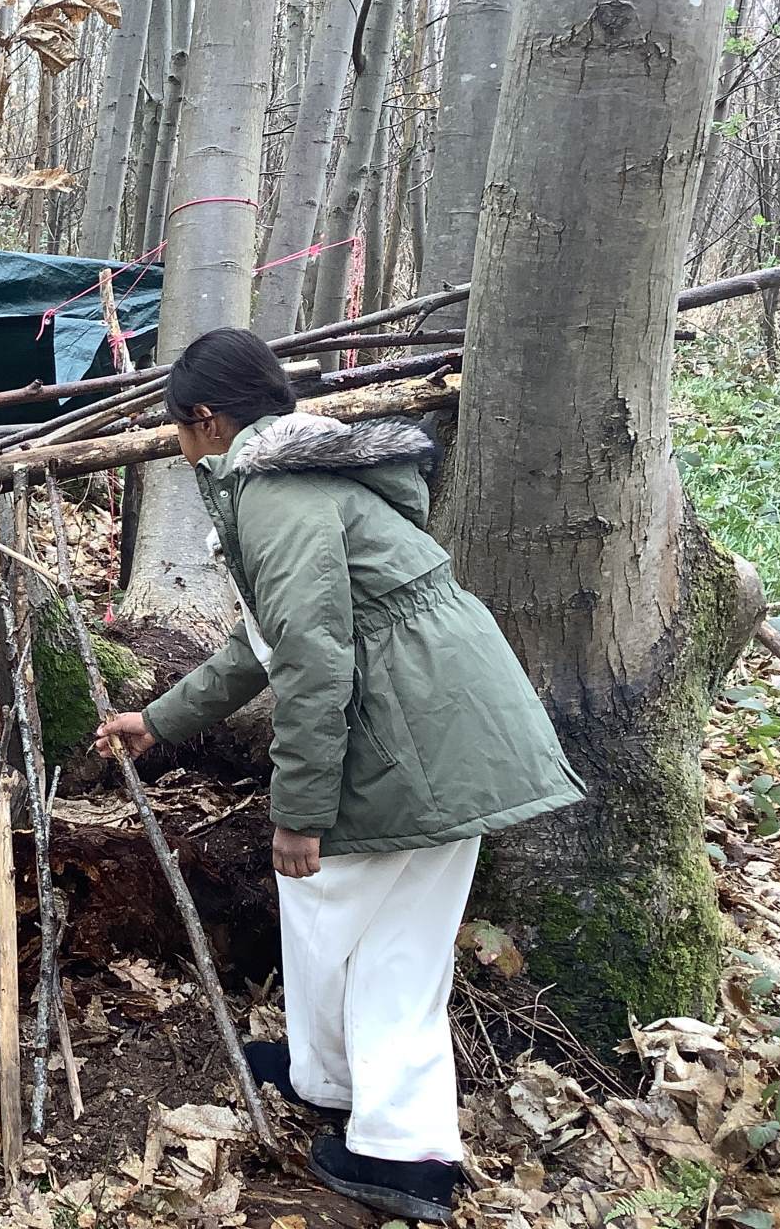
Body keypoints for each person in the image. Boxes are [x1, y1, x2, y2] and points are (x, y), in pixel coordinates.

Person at [96, 328, 582, 1224]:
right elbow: (264, 641)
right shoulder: (296, 478)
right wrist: (157, 721)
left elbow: (312, 659)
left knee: (373, 930)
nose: (178, 441)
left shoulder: (274, 493)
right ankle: (328, 1077)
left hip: (417, 730)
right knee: (355, 920)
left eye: (179, 425)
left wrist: (301, 811)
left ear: (206, 418)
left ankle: (406, 1153)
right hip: (448, 722)